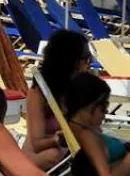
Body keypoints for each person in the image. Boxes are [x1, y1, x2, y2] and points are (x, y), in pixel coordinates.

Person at [23, 28, 93, 168]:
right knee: (53, 155)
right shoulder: (39, 93)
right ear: (70, 61)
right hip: (38, 154)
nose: (89, 64)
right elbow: (36, 143)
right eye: (86, 58)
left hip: (69, 153)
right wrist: (56, 139)